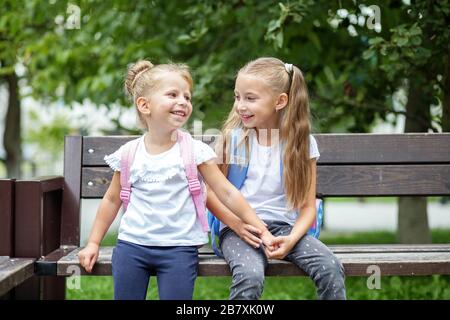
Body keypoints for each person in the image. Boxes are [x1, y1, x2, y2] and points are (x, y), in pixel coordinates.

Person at [77, 60, 275, 300]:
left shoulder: (195, 151)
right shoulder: (129, 154)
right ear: (144, 105)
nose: (183, 101)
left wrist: (260, 229)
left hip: (179, 249)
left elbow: (226, 192)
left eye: (187, 97)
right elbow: (111, 200)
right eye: (173, 94)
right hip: (132, 247)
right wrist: (93, 243)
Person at [207, 57, 346, 300]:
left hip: (286, 228)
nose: (240, 105)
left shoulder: (301, 145)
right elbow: (211, 192)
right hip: (240, 229)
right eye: (237, 96)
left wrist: (292, 239)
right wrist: (237, 225)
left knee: (331, 268)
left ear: (280, 101)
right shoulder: (231, 140)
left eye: (250, 98)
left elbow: (307, 207)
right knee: (250, 276)